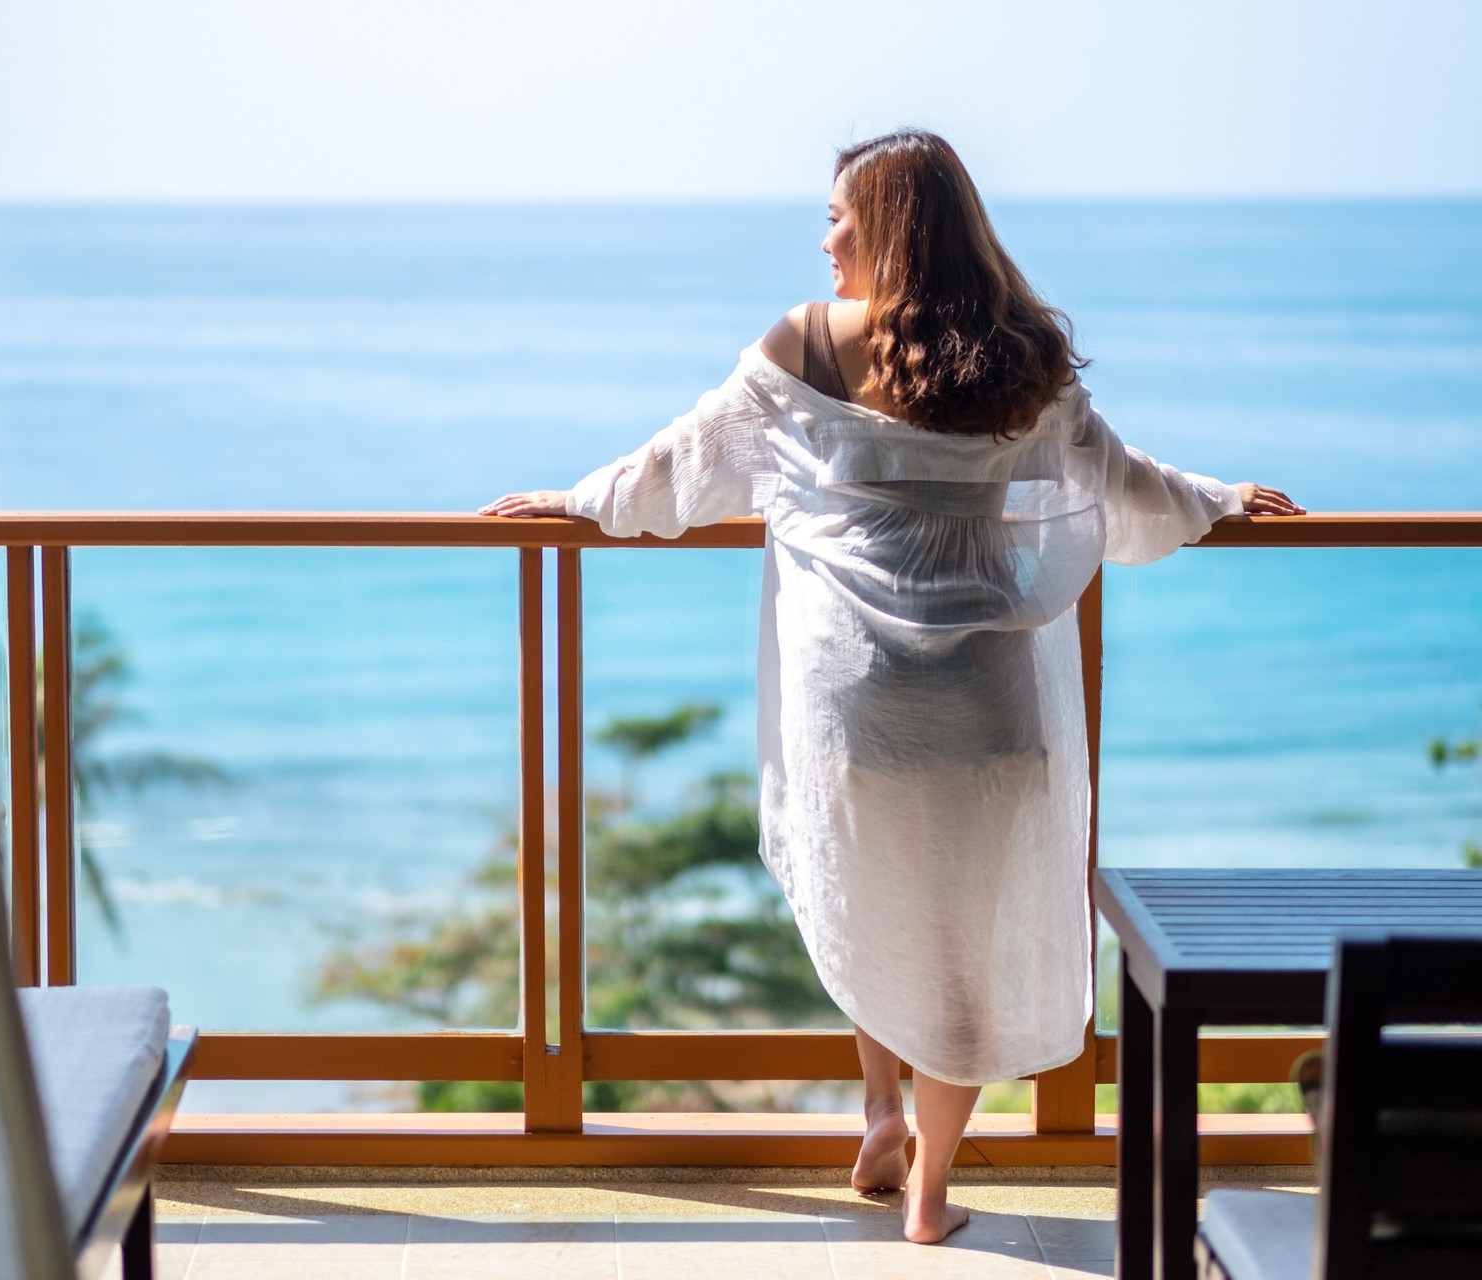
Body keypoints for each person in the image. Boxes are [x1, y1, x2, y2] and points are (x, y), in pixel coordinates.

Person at [480, 129, 1303, 1244]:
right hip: (994, 706)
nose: (825, 241)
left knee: (872, 892)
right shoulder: (1026, 356)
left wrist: (580, 500)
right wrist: (1221, 495)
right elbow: (1125, 487)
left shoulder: (804, 345)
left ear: (893, 229)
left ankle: (879, 1113)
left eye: (842, 219)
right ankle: (922, 1177)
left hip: (859, 703)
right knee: (957, 936)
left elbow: (682, 465)